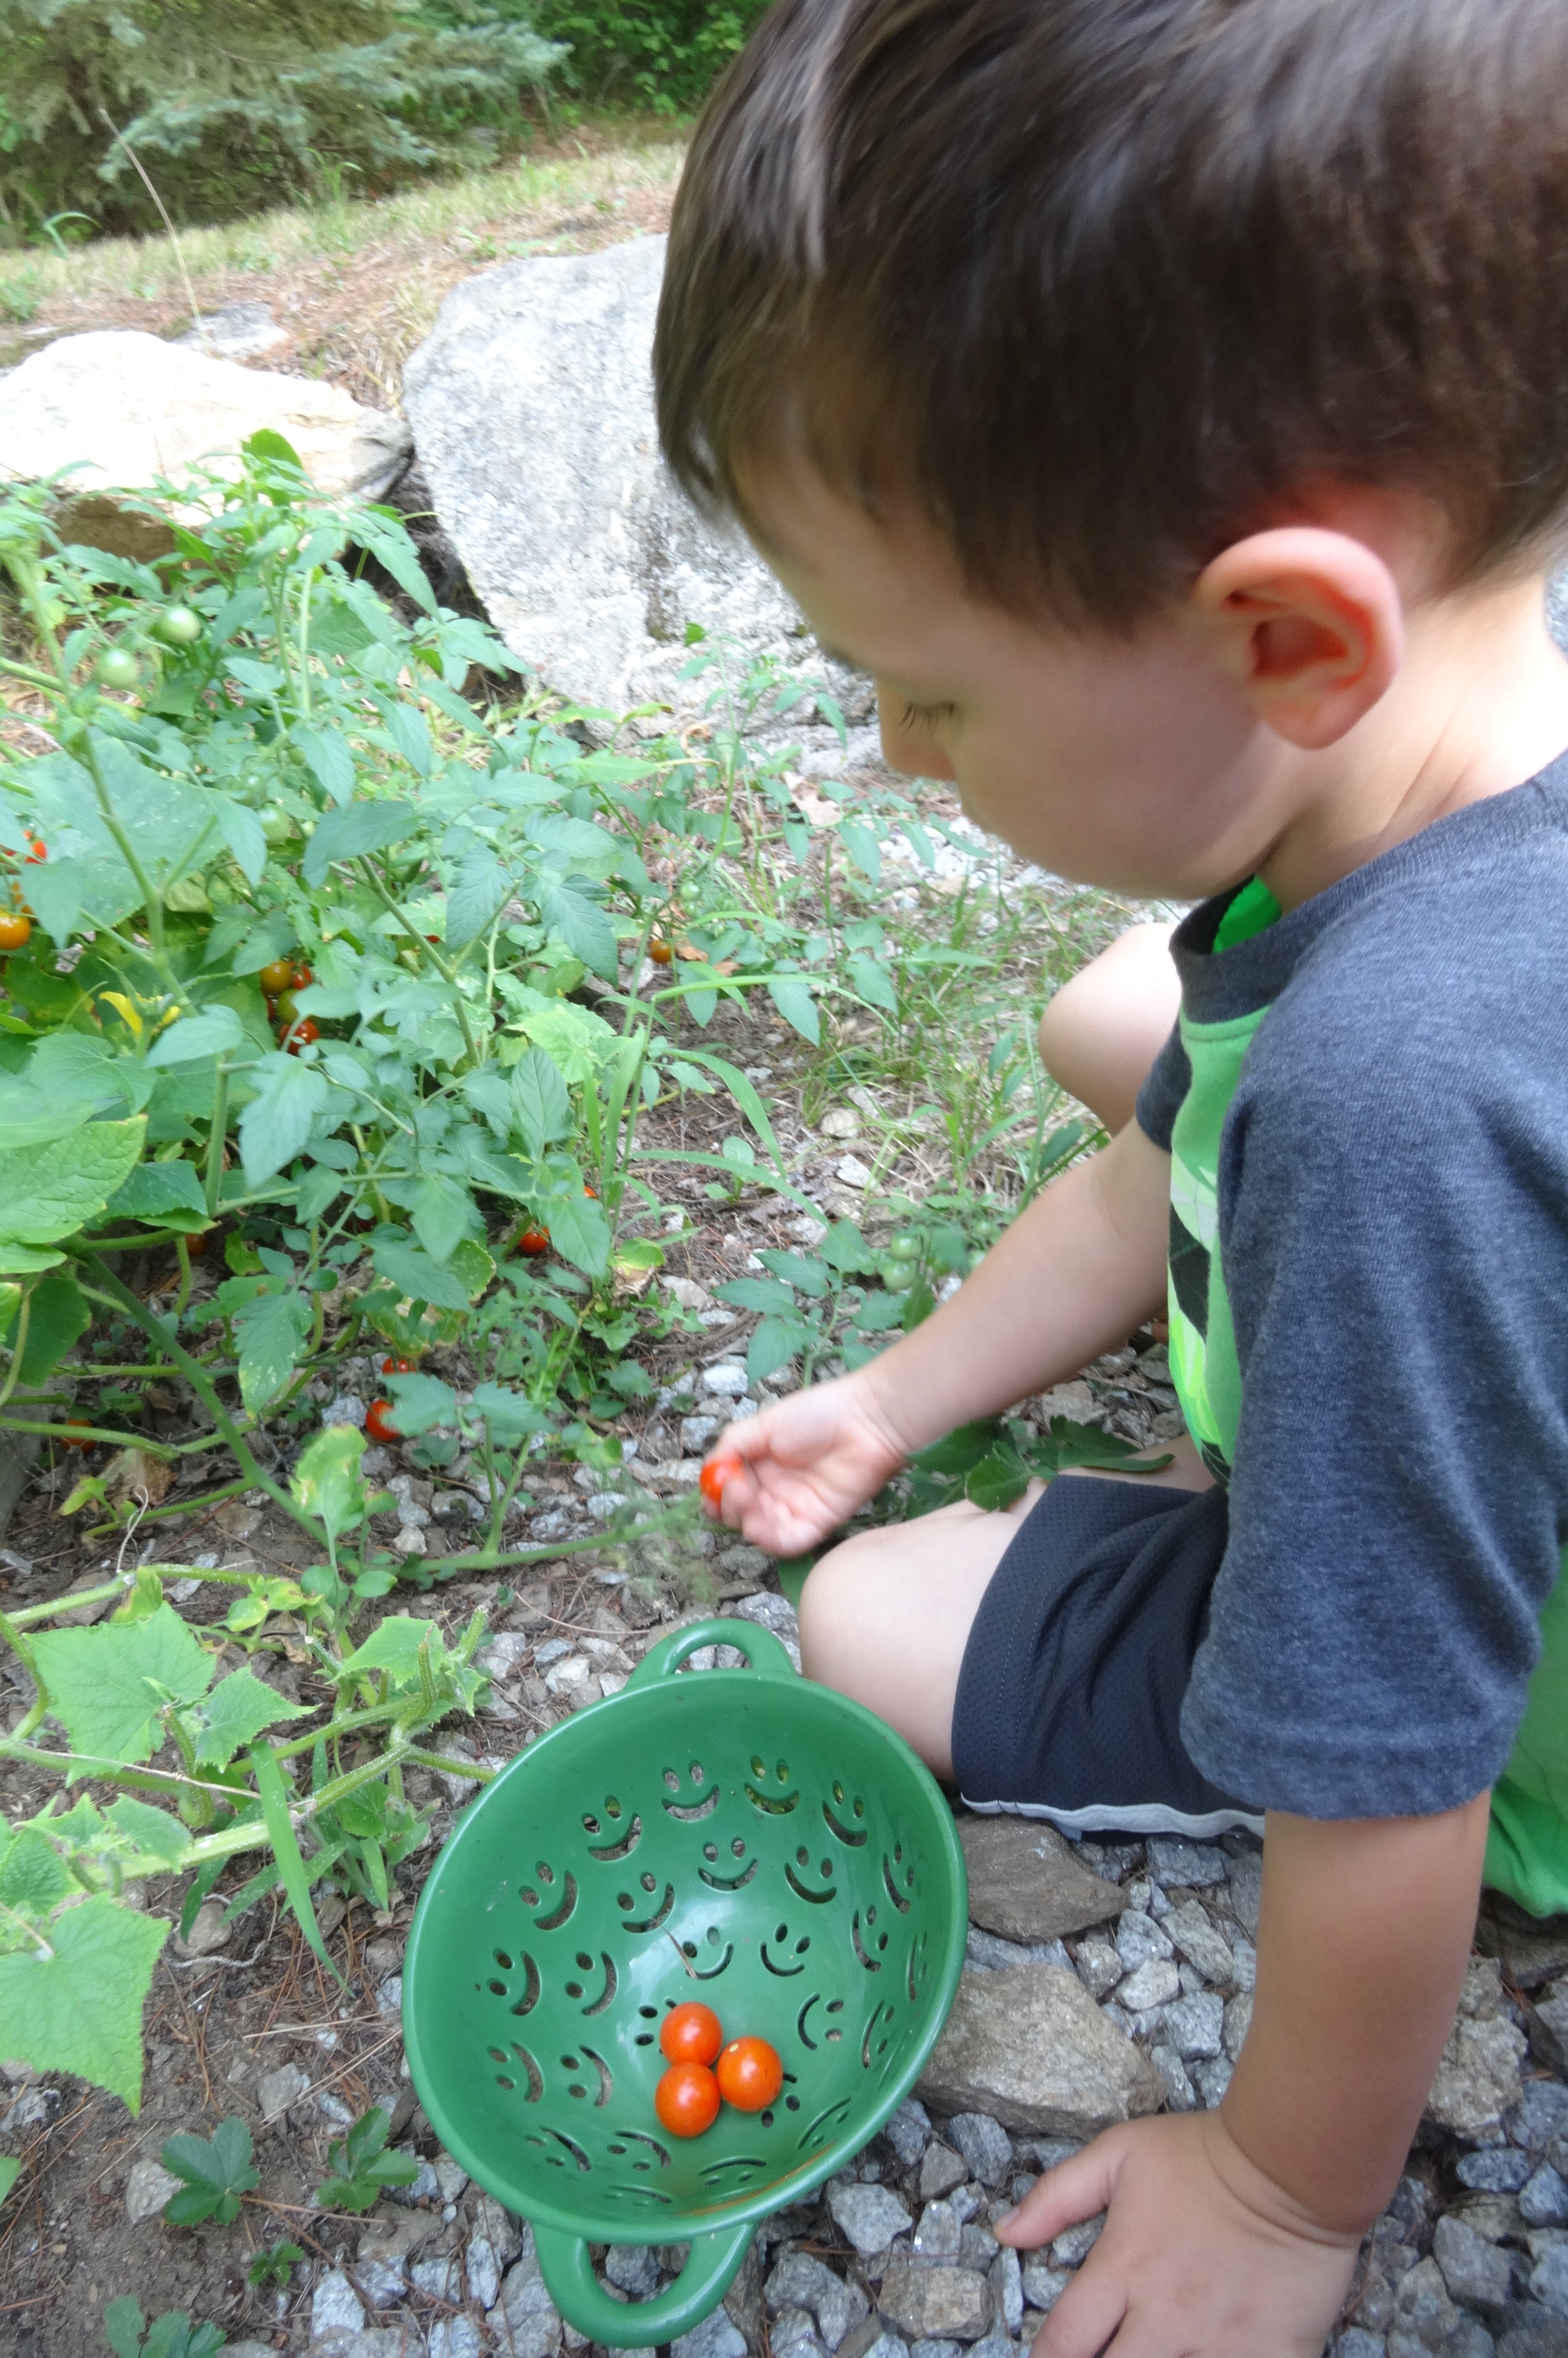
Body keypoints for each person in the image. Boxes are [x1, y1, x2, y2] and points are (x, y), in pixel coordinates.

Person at [653, 0, 1568, 2348]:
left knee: (866, 1625)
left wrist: (1279, 2194)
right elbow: (1139, 1167)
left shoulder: (1383, 1111)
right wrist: (894, 1392)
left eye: (932, 691)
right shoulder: (1452, 790)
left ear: (1288, 635)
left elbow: (1384, 1772)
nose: (891, 749)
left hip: (1518, 1696)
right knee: (1126, 1027)